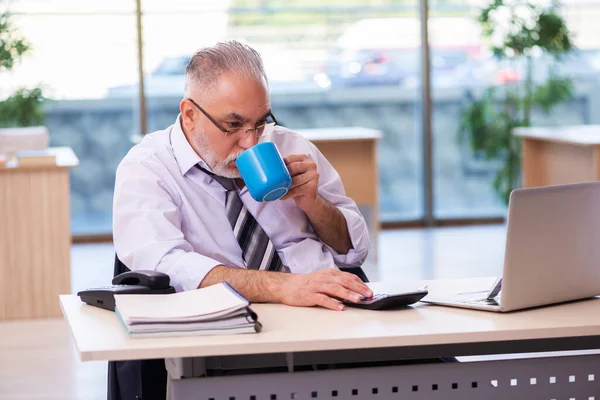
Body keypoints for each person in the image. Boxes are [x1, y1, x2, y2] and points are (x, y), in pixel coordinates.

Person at [112, 40, 373, 310]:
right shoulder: (147, 168)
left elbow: (354, 251)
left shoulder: (292, 146)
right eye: (233, 125)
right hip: (223, 319)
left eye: (260, 122)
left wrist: (315, 205)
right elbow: (165, 265)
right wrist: (281, 287)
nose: (251, 142)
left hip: (326, 311)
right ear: (190, 114)